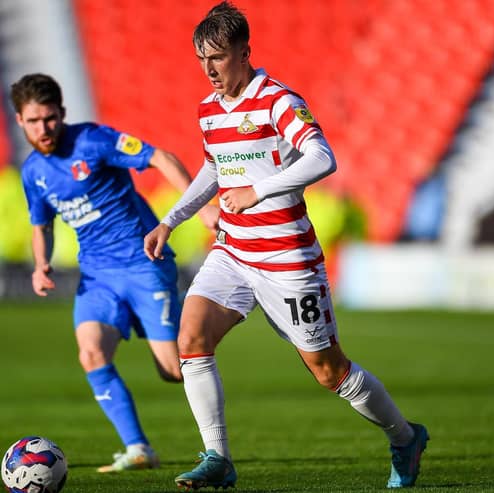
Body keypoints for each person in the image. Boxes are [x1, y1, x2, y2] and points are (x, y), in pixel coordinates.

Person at [144, 1, 429, 489]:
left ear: (244, 51)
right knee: (191, 339)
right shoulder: (209, 109)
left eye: (218, 57)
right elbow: (215, 166)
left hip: (287, 258)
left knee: (329, 372)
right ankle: (218, 458)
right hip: (233, 251)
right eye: (201, 59)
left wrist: (260, 189)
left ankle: (404, 438)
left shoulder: (277, 100)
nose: (209, 69)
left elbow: (323, 157)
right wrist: (170, 220)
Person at [10, 73, 218, 473]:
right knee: (91, 352)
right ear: (19, 120)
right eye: (34, 121)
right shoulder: (33, 171)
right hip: (97, 277)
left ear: (62, 113)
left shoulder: (92, 140)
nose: (44, 128)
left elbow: (161, 157)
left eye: (50, 118)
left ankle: (204, 331)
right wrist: (41, 265)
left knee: (175, 370)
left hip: (144, 263)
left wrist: (201, 206)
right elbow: (42, 224)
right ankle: (139, 448)